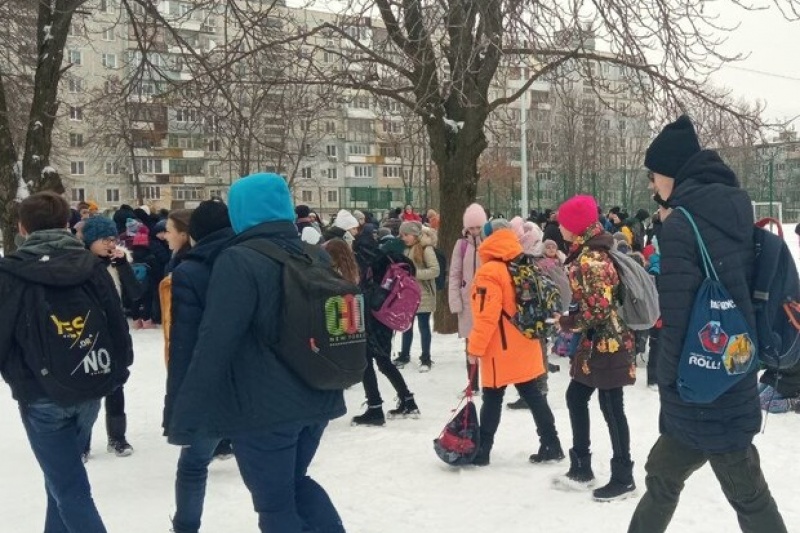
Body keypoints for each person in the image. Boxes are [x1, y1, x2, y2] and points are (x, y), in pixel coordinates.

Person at [628, 116, 787, 533]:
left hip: (697, 388)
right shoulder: (734, 209)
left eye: (655, 174)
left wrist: (666, 382)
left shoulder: (681, 225)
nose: (652, 184)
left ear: (673, 172)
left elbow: (677, 318)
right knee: (664, 476)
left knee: (745, 494)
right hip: (734, 370)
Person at [167, 173, 346, 533]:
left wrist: (185, 417)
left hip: (264, 409)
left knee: (275, 506)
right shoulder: (313, 255)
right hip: (318, 395)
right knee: (296, 483)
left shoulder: (239, 260)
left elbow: (216, 341)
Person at [0, 192, 132, 533]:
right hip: (89, 381)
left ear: (22, 228)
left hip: (39, 394)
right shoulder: (92, 267)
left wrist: (17, 378)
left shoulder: (10, 273)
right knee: (61, 477)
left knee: (69, 486)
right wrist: (118, 371)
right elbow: (117, 323)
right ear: (66, 224)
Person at [553, 195, 637, 502]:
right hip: (596, 343)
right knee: (576, 396)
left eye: (562, 221)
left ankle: (623, 476)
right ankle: (581, 466)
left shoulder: (590, 260)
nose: (558, 226)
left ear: (575, 226)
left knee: (612, 407)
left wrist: (565, 322)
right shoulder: (588, 253)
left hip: (608, 343)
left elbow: (598, 310)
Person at [468, 219, 563, 466]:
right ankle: (551, 443)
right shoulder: (522, 265)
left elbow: (486, 315)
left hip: (500, 347)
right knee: (533, 395)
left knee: (492, 397)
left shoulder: (489, 272)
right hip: (526, 341)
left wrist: (475, 348)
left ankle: (483, 450)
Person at [165, 199, 236, 533]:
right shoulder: (250, 258)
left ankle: (185, 527)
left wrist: (179, 405)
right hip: (254, 378)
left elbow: (184, 343)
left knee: (193, 465)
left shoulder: (189, 272)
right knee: (266, 467)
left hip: (207, 382)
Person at [81, 216, 143, 459]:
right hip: (88, 331)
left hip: (115, 329)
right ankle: (82, 441)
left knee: (116, 384)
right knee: (88, 388)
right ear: (90, 241)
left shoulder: (118, 262)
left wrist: (122, 266)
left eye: (112, 239)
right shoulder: (79, 264)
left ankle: (117, 437)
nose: (109, 244)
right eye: (103, 239)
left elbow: (136, 294)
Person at [449, 203, 488, 393]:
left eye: (478, 227)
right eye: (471, 227)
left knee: (488, 342)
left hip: (487, 301)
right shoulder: (461, 245)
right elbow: (455, 274)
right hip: (467, 301)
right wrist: (455, 301)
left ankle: (490, 381)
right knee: (470, 344)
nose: (474, 231)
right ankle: (472, 383)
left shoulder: (489, 243)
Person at [393, 221, 440, 372]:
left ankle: (425, 357)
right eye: (402, 235)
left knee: (424, 326)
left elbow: (435, 270)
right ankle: (404, 354)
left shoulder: (426, 248)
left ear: (414, 234)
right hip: (408, 294)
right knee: (407, 325)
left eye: (406, 235)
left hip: (424, 294)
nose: (404, 238)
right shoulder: (406, 249)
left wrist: (414, 273)